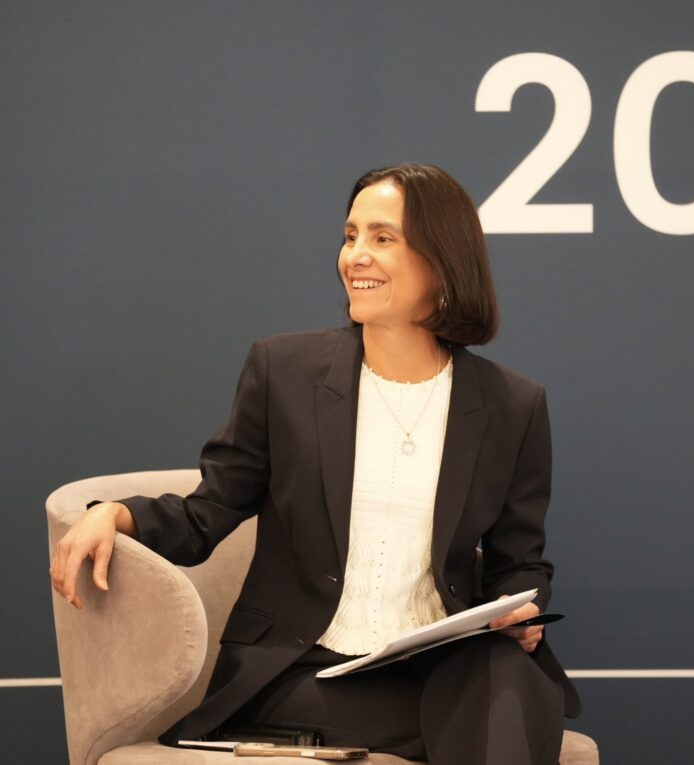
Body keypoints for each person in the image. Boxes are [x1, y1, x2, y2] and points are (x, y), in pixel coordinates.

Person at [49, 163, 580, 764]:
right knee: (505, 716)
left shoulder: (513, 406)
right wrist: (115, 514)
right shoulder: (285, 371)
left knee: (510, 677)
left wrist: (521, 610)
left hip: (437, 665)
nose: (355, 255)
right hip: (304, 670)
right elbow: (209, 511)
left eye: (383, 238)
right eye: (350, 236)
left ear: (443, 260)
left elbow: (519, 561)